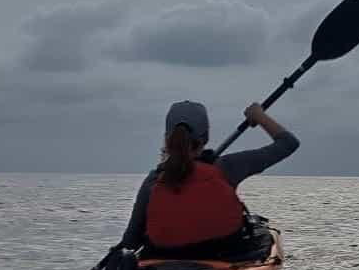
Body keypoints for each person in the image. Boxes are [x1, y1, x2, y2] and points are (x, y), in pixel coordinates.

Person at [118, 100, 300, 254]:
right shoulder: (228, 167)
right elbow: (288, 143)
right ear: (205, 138)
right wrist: (259, 116)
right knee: (263, 234)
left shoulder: (154, 180)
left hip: (163, 265)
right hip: (222, 256)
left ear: (167, 138)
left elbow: (131, 242)